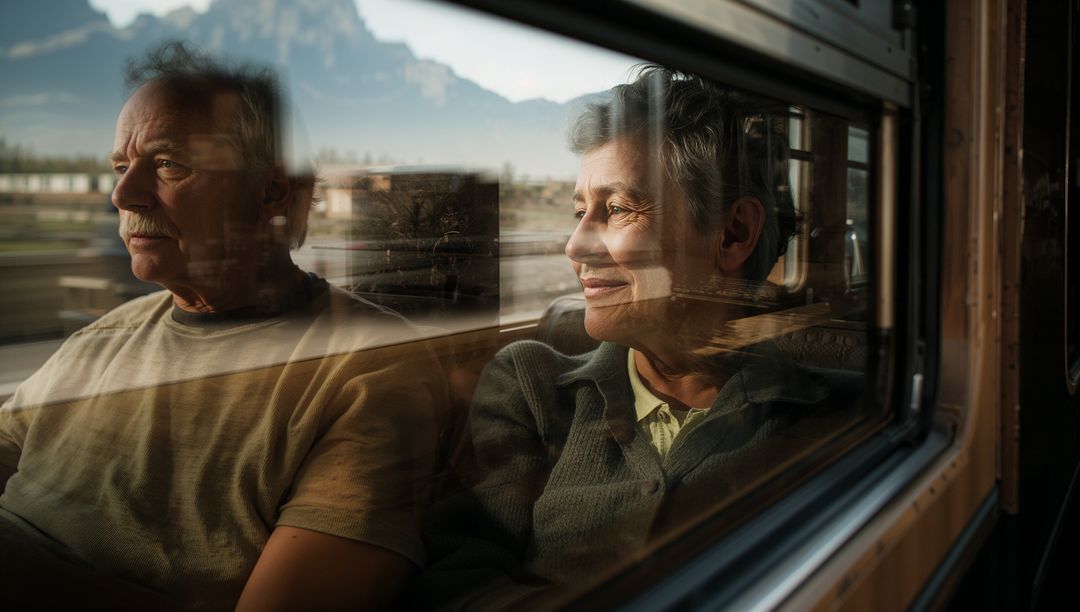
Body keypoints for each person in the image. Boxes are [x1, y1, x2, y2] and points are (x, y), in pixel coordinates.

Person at [0, 42, 447, 610]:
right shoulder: (106, 335)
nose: (122, 194)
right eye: (120, 166)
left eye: (167, 164)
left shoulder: (371, 367)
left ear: (270, 192)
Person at [412, 66, 857, 608]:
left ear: (734, 231)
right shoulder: (533, 387)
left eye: (617, 209)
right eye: (580, 212)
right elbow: (463, 581)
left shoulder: (832, 418)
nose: (575, 246)